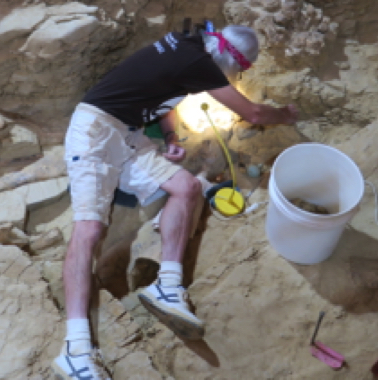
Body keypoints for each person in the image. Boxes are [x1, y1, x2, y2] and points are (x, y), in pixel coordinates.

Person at [51, 25, 298, 380]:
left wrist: (169, 134)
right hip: (94, 131)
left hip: (128, 133)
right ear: (230, 60)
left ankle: (168, 286)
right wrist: (286, 114)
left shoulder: (190, 47)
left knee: (186, 187)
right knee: (89, 229)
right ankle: (75, 350)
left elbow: (166, 92)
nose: (235, 77)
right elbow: (255, 114)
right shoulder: (197, 60)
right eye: (237, 71)